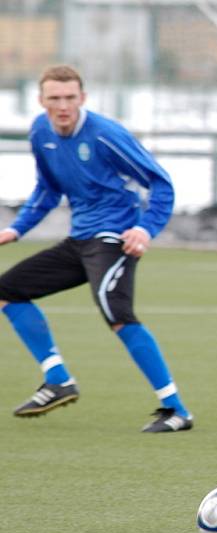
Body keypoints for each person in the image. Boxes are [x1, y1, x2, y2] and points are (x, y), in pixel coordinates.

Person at [0, 65, 193, 433]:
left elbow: (160, 183)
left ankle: (177, 410)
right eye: (54, 98)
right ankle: (58, 379)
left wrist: (144, 229)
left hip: (114, 239)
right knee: (7, 290)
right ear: (41, 101)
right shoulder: (41, 132)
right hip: (80, 240)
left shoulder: (105, 134)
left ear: (83, 98)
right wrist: (15, 228)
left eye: (70, 98)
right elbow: (48, 189)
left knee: (116, 313)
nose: (63, 106)